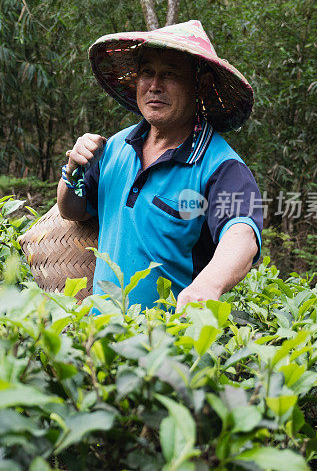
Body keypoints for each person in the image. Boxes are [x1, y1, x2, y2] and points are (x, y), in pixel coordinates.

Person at [57, 20, 262, 312]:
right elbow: (73, 210)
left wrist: (208, 285)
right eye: (147, 73)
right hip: (98, 337)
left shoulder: (221, 167)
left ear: (199, 84)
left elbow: (241, 234)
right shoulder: (115, 146)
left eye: (170, 74)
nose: (155, 86)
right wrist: (73, 169)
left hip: (165, 346)